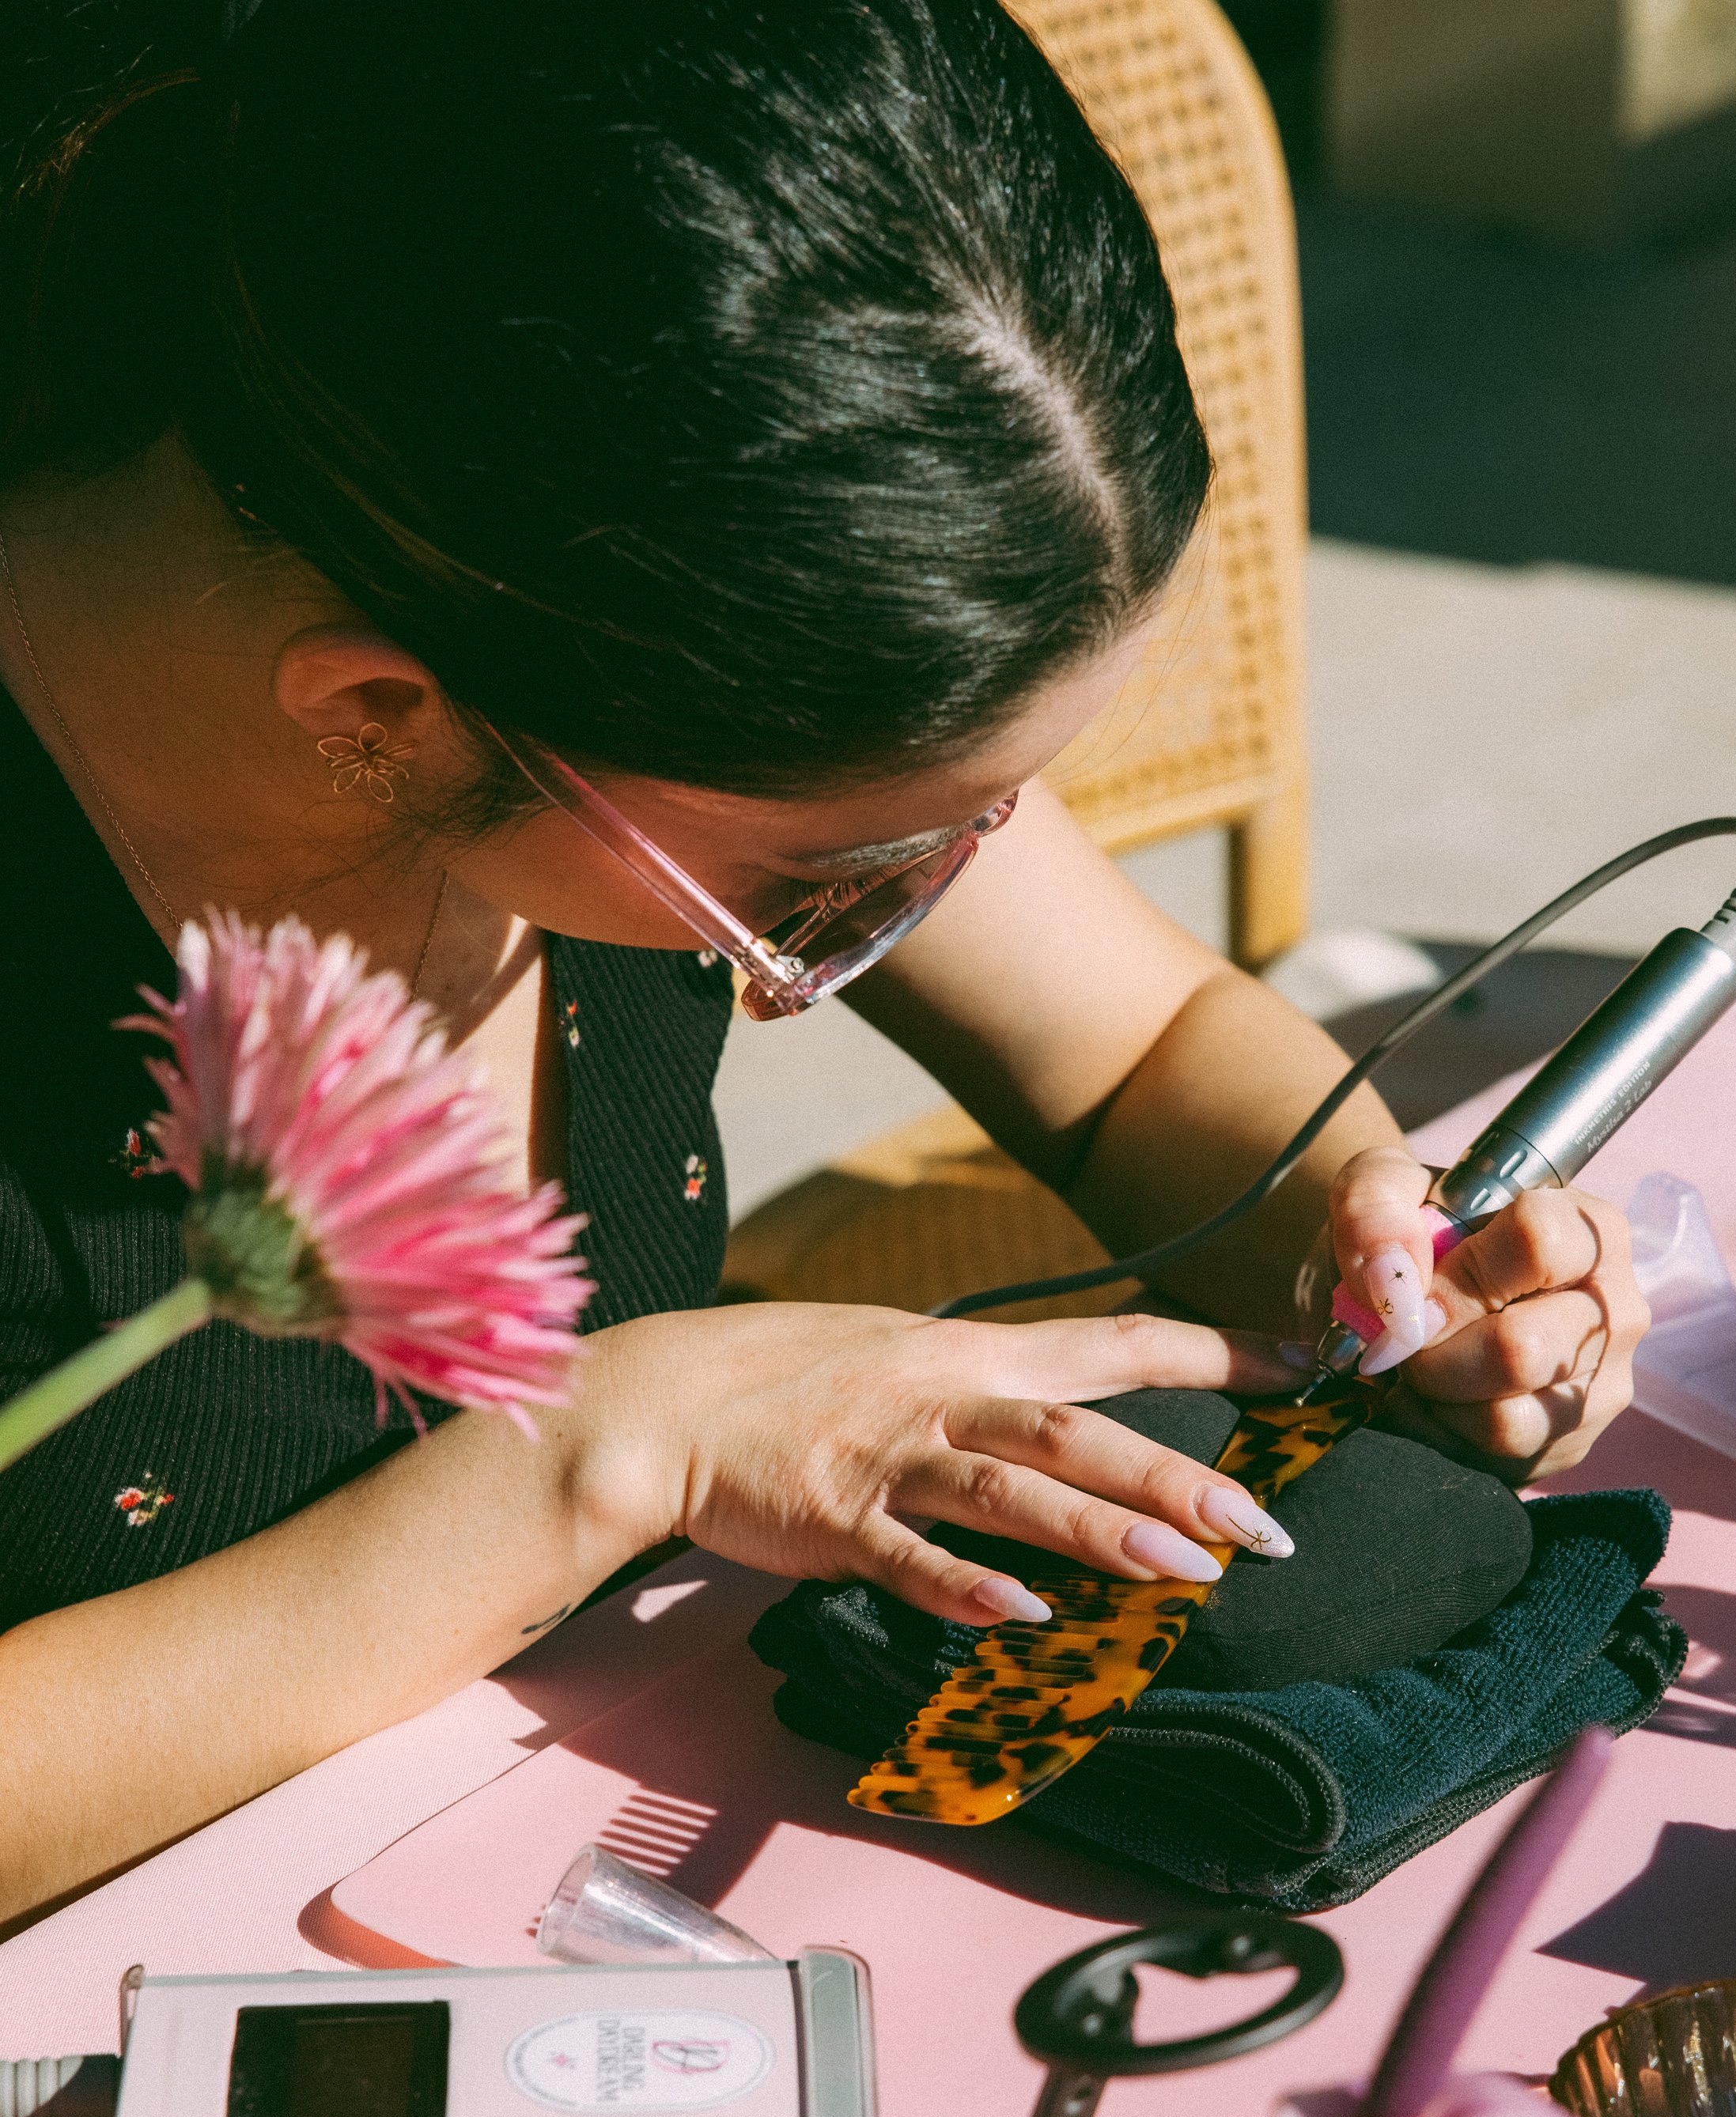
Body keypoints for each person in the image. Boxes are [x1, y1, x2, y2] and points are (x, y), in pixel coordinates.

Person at [0, 0, 1647, 1926]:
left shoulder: (576, 620)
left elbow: (1135, 1044)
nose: (947, 887)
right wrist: (602, 1456)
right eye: (845, 875)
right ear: (386, 711)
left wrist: (1364, 1245)